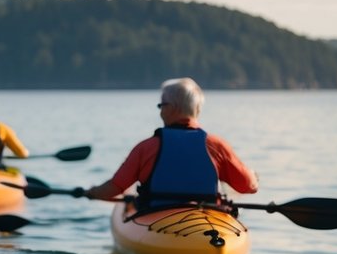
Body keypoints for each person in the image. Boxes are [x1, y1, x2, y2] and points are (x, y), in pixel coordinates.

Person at [83, 77, 258, 208]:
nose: (160, 111)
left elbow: (115, 188)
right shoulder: (217, 145)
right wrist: (253, 177)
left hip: (156, 217)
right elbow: (247, 187)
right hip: (206, 218)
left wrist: (93, 192)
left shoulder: (146, 148)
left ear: (172, 108)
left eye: (162, 105)